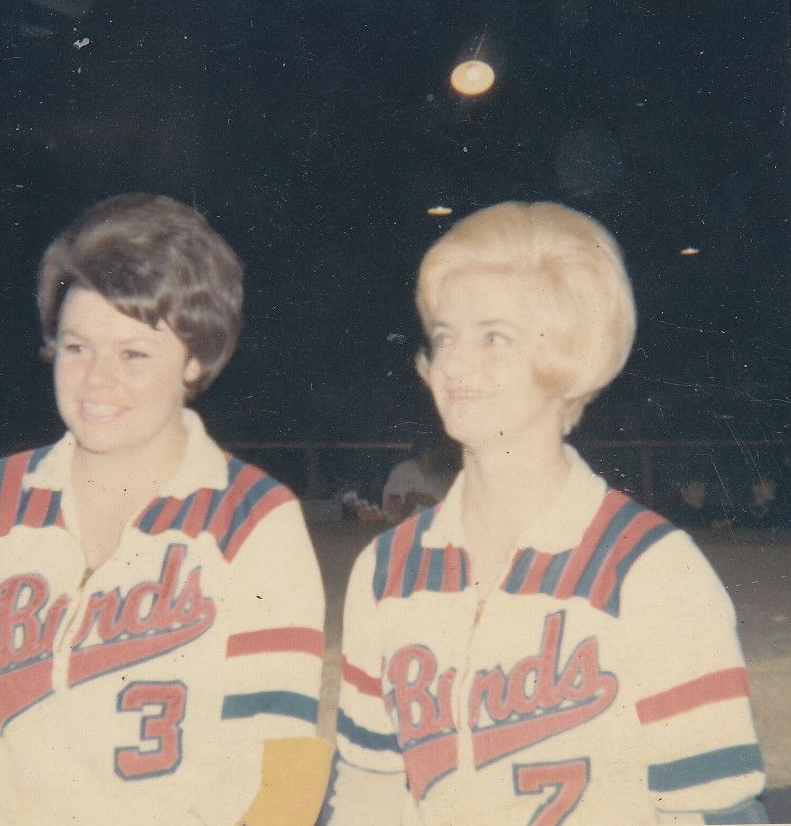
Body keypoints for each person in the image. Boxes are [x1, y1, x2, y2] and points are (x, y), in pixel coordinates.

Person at [321, 202, 766, 825]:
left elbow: (718, 814)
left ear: (569, 354)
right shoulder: (386, 569)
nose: (454, 364)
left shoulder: (651, 570)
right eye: (445, 336)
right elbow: (367, 794)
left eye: (493, 337)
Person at [0, 194, 330, 826]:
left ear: (195, 359)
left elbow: (275, 770)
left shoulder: (255, 519)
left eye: (132, 355)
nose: (96, 380)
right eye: (76, 348)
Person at [382, 436, 454, 523]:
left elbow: (454, 518)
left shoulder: (448, 477)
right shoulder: (401, 472)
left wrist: (435, 505)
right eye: (429, 452)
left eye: (437, 453)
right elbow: (389, 514)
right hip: (405, 531)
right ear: (421, 452)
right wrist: (407, 506)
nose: (434, 457)